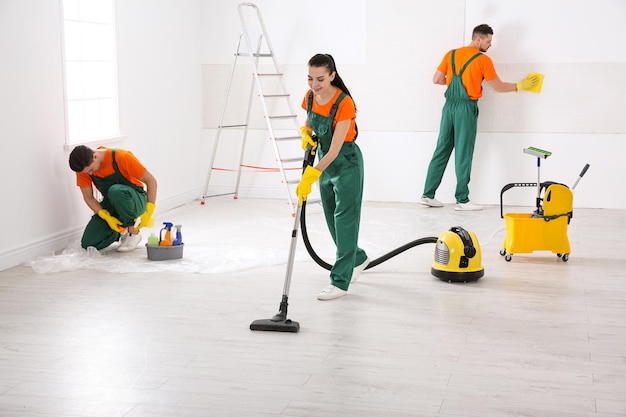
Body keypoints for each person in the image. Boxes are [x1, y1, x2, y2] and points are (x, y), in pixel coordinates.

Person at [420, 24, 540, 211]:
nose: (490, 45)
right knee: (463, 153)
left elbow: (436, 79)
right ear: (478, 39)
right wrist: (520, 85)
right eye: (488, 41)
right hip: (466, 109)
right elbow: (498, 87)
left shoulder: (451, 54)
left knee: (441, 150)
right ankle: (462, 200)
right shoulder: (483, 60)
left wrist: (453, 84)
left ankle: (427, 195)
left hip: (449, 107)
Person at [296, 53, 369, 301]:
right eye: (310, 78)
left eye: (320, 79)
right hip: (325, 163)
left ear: (332, 76)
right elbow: (309, 122)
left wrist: (311, 176)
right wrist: (306, 133)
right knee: (331, 219)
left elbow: (336, 148)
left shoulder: (344, 103)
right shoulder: (309, 97)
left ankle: (340, 282)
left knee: (345, 220)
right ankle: (357, 258)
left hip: (346, 164)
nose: (314, 84)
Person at [69, 145, 157, 252]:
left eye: (91, 170)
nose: (90, 174)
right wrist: (106, 217)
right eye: (87, 172)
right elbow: (89, 198)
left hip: (135, 199)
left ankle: (133, 232)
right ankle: (120, 231)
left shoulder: (122, 157)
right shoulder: (83, 169)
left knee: (115, 191)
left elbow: (151, 180)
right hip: (112, 202)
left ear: (95, 156)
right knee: (89, 243)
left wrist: (149, 211)